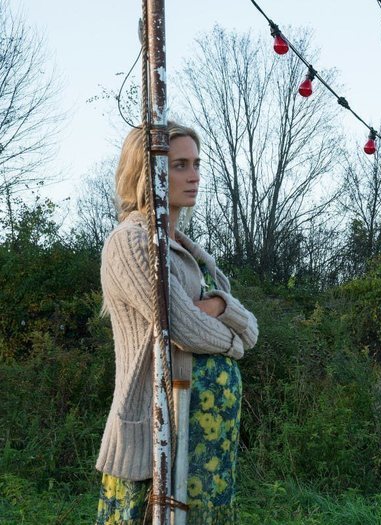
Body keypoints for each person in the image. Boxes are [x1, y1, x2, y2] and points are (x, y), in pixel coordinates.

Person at [95, 122, 259, 523]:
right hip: (157, 429)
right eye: (180, 165)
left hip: (200, 436)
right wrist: (232, 342)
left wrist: (217, 306)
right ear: (147, 172)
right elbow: (182, 328)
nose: (194, 175)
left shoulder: (190, 252)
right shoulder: (131, 242)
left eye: (196, 164)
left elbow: (252, 329)